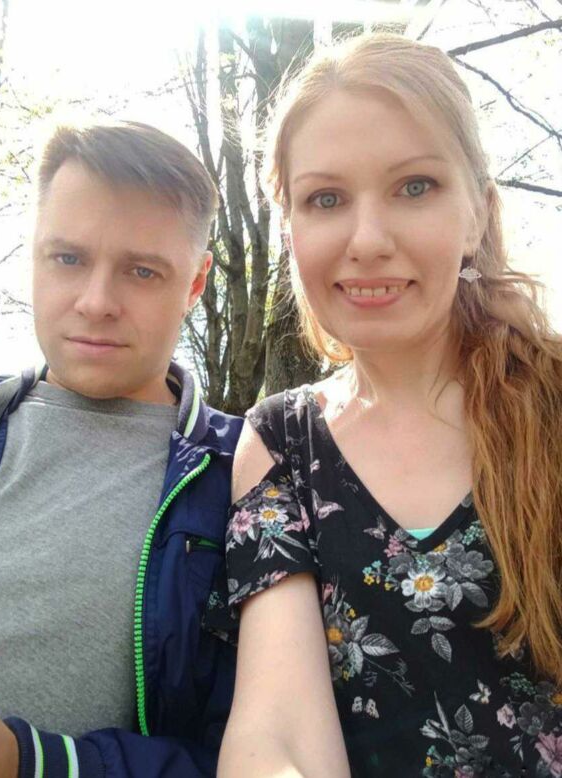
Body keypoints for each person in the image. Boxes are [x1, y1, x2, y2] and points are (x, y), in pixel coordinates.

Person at [215, 33, 562, 778]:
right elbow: (276, 732)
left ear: (477, 214)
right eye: (326, 199)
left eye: (414, 187)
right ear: (291, 230)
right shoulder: (281, 443)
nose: (367, 240)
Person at [0, 122, 241, 777]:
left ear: (195, 283)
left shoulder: (249, 478)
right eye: (67, 259)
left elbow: (268, 754)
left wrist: (31, 762)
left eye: (142, 271)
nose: (96, 303)